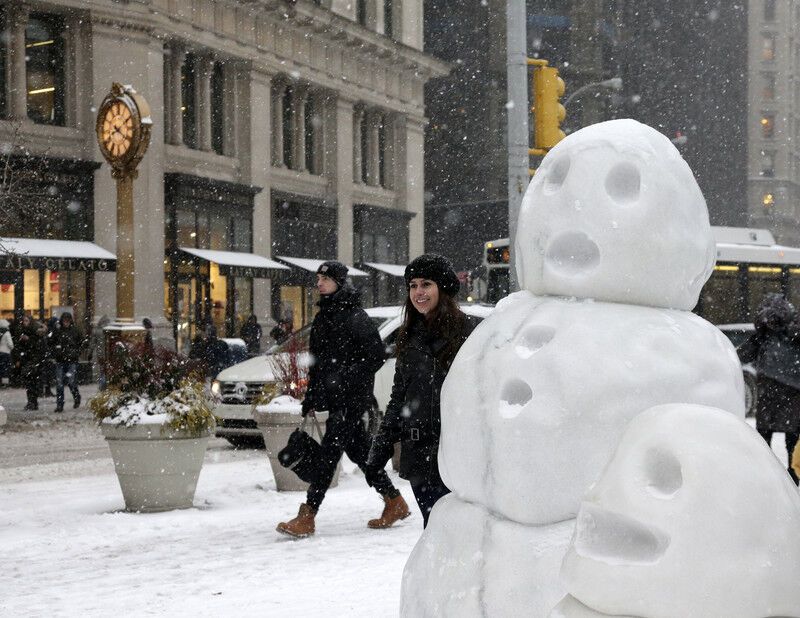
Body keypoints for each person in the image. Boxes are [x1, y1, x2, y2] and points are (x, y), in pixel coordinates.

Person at [277, 261, 408, 538]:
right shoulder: (325, 315)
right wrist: (312, 395)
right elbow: (318, 362)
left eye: (325, 278)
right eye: (318, 278)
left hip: (351, 400)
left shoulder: (354, 315)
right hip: (334, 398)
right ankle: (394, 501)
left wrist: (347, 377)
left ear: (339, 282)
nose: (319, 282)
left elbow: (375, 354)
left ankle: (308, 515)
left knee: (328, 456)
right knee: (360, 453)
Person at [367, 254, 477, 527]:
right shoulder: (408, 334)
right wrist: (381, 447)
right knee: (433, 532)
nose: (418, 292)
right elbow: (398, 397)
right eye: (413, 285)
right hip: (419, 455)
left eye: (426, 284)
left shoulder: (467, 332)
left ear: (443, 288)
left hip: (455, 454)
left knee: (455, 534)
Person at [737, 293, 800, 484]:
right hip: (794, 401)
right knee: (792, 442)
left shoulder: (763, 337)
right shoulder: (796, 335)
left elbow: (741, 356)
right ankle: (792, 480)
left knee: (764, 442)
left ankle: (766, 478)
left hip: (768, 399)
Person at [52, 312, 84, 413]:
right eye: (64, 321)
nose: (66, 322)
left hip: (71, 360)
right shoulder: (58, 331)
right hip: (61, 360)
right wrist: (56, 352)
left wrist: (76, 352)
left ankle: (76, 396)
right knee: (59, 383)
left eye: (67, 320)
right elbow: (51, 342)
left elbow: (82, 342)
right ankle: (60, 404)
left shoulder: (75, 331)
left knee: (70, 382)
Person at [17, 314, 46, 411]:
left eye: (26, 321)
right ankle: (32, 402)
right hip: (27, 359)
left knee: (32, 381)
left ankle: (32, 402)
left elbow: (38, 346)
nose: (25, 323)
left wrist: (28, 340)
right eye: (24, 321)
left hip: (34, 360)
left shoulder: (35, 332)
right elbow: (20, 346)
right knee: (29, 381)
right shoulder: (24, 331)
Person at [90, 315, 110, 391]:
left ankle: (102, 386)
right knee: (107, 370)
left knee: (102, 370)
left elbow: (92, 343)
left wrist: (90, 352)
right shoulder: (109, 330)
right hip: (108, 354)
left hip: (101, 354)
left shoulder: (97, 330)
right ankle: (105, 385)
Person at [0, 319, 13, 387]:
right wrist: (12, 348)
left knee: (1, 367)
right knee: (5, 368)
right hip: (6, 352)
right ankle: (5, 383)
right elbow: (10, 344)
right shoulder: (7, 333)